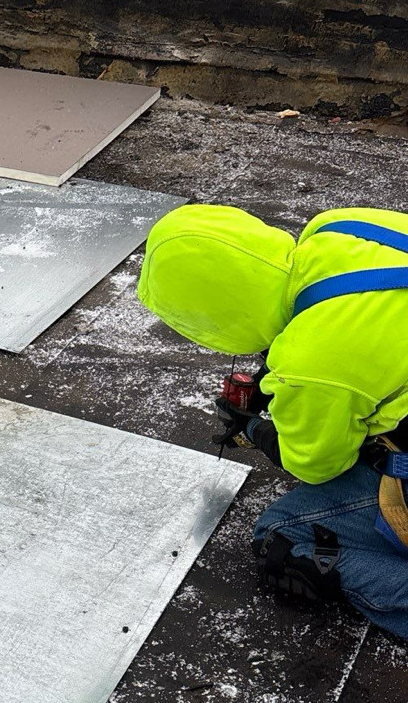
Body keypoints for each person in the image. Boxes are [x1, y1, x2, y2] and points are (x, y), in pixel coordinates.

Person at [138, 202, 408, 640]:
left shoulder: (312, 362)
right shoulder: (340, 226)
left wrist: (254, 429)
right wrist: (270, 384)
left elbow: (316, 464)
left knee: (284, 540)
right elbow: (352, 325)